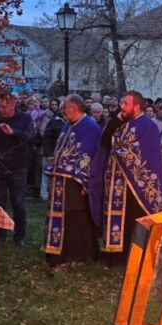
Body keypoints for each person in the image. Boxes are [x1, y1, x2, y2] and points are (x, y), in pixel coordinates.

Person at [88, 91, 162, 256]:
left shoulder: (147, 125)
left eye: (126, 104)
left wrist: (119, 151)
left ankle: (135, 252)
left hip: (136, 183)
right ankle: (114, 252)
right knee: (119, 218)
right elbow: (104, 142)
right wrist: (115, 121)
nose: (122, 107)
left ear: (136, 106)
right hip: (116, 181)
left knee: (134, 216)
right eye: (122, 103)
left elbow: (147, 153)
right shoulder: (120, 123)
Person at [44, 95, 101, 265]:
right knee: (62, 215)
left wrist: (83, 180)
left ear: (74, 108)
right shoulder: (67, 125)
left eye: (65, 108)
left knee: (76, 216)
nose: (62, 110)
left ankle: (79, 254)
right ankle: (58, 251)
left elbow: (88, 155)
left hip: (75, 181)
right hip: (61, 179)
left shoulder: (90, 126)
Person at [0, 93, 36, 245]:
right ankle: (0, 235)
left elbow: (31, 137)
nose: (1, 109)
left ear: (13, 105)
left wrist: (14, 133)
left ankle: (19, 236)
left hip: (18, 167)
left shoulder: (24, 118)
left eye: (4, 107)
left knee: (18, 203)